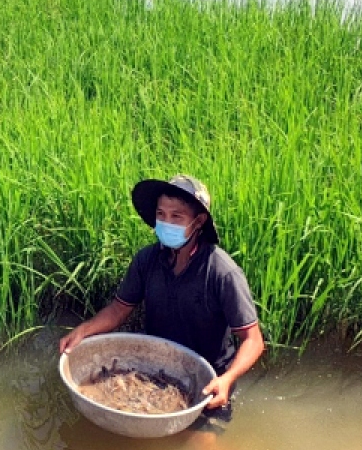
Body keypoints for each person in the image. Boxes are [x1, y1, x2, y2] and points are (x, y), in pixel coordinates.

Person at [58, 174, 264, 424]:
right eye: (161, 214)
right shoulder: (148, 259)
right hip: (154, 368)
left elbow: (253, 340)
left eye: (176, 216)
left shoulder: (221, 272)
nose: (167, 222)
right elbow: (118, 310)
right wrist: (84, 330)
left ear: (198, 221)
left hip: (208, 380)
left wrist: (227, 379)